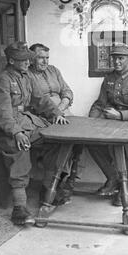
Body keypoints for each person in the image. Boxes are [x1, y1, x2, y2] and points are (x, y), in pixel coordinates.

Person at [0, 41, 68, 226]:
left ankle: (49, 189)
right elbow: (1, 113)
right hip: (8, 129)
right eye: (22, 60)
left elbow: (41, 99)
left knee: (56, 142)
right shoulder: (3, 79)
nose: (27, 63)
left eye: (28, 59)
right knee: (20, 148)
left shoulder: (26, 77)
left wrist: (57, 114)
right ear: (11, 61)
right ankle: (19, 209)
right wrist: (16, 132)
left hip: (28, 122)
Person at [88, 43, 128, 206]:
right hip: (111, 122)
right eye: (114, 58)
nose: (117, 62)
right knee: (91, 142)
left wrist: (120, 115)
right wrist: (91, 121)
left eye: (121, 58)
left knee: (122, 146)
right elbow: (100, 104)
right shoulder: (109, 78)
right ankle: (113, 178)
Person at [28, 43, 80, 205]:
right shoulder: (27, 75)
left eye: (47, 58)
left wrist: (61, 108)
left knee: (79, 138)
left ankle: (63, 180)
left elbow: (67, 91)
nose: (45, 62)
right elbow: (35, 102)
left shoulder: (54, 70)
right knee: (62, 141)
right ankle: (52, 184)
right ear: (31, 59)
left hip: (63, 112)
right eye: (41, 58)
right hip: (43, 116)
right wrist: (54, 113)